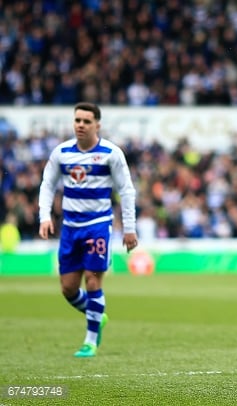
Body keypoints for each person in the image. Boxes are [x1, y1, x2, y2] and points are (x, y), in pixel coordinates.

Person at [38, 102, 138, 357]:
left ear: (97, 124)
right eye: (77, 120)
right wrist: (44, 216)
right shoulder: (61, 153)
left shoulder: (111, 153)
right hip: (70, 227)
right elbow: (47, 185)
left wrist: (129, 229)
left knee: (93, 279)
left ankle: (90, 341)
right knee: (68, 288)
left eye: (86, 121)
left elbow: (126, 190)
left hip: (97, 225)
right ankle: (97, 313)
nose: (80, 125)